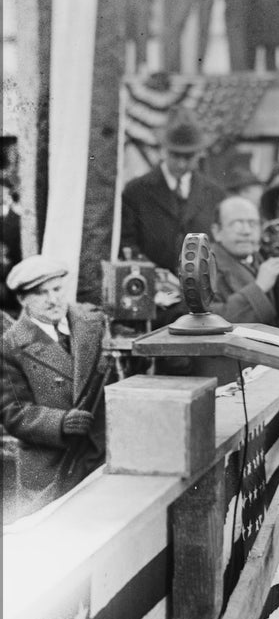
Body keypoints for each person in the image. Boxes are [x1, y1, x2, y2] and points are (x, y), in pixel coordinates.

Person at [1, 256, 113, 517]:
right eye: (41, 293)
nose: (53, 299)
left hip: (98, 457)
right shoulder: (10, 346)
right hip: (51, 468)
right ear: (22, 300)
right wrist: (59, 422)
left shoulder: (94, 325)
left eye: (57, 289)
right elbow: (13, 412)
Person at [119, 107, 225, 324]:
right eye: (175, 155)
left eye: (189, 156)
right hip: (155, 300)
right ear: (162, 150)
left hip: (202, 300)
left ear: (199, 154)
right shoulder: (136, 192)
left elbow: (218, 245)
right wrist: (157, 275)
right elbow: (127, 244)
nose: (181, 164)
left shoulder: (214, 194)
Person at [209, 195, 279, 324]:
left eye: (253, 224)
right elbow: (211, 321)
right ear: (217, 232)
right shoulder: (204, 267)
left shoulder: (262, 259)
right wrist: (258, 288)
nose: (247, 231)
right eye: (237, 224)